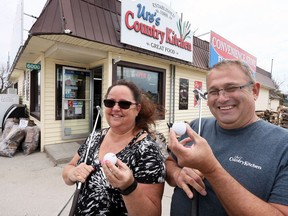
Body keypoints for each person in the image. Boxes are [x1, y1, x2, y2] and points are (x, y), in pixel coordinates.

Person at [166, 59, 288, 216]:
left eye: (231, 88)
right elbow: (170, 163)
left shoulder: (283, 145)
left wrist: (211, 169)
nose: (221, 98)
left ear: (255, 91)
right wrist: (178, 174)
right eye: (213, 91)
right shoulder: (197, 128)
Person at [62, 80, 166, 215]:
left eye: (124, 104)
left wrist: (129, 187)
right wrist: (73, 173)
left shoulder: (148, 151)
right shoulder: (95, 138)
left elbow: (152, 213)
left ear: (137, 109)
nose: (116, 108)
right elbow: (68, 170)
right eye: (110, 102)